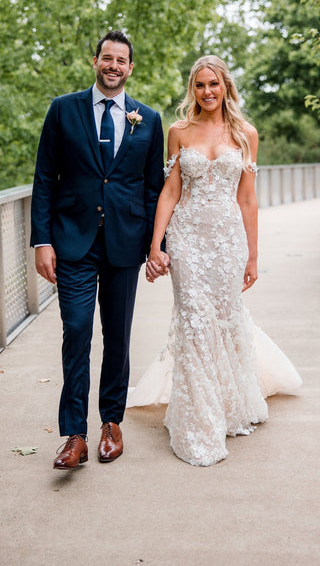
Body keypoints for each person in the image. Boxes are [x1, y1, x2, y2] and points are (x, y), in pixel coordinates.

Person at [127, 55, 302, 467]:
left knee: (224, 316)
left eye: (214, 85)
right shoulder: (179, 132)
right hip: (186, 238)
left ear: (226, 88)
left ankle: (227, 402)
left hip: (227, 240)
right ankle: (197, 418)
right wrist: (157, 246)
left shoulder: (245, 134)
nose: (207, 92)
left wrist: (253, 255)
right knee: (193, 318)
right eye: (200, 85)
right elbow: (169, 192)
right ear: (193, 89)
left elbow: (247, 198)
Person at [31, 30, 166, 470]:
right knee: (76, 331)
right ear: (95, 62)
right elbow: (44, 177)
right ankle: (74, 435)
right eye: (106, 58)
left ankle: (111, 422)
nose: (113, 66)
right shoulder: (62, 109)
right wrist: (42, 240)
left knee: (118, 337)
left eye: (120, 60)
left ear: (130, 68)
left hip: (125, 244)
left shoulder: (148, 119)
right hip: (72, 241)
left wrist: (154, 245)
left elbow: (152, 189)